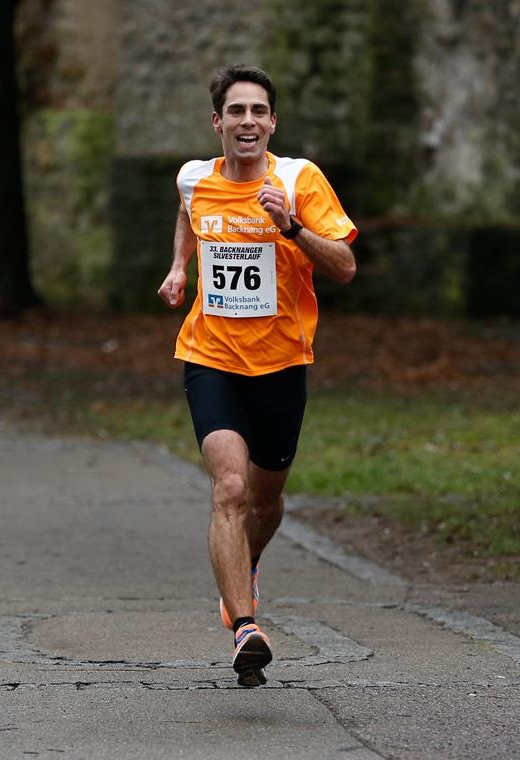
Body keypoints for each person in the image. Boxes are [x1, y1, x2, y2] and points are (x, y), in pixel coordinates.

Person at [157, 64, 357, 687]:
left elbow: (346, 265)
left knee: (266, 502)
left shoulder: (299, 181)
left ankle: (247, 565)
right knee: (231, 489)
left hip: (281, 364)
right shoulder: (195, 177)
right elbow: (190, 215)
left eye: (258, 112)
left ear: (273, 123)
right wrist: (178, 267)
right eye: (236, 112)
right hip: (210, 356)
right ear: (218, 122)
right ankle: (245, 626)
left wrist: (290, 226)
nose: (248, 122)